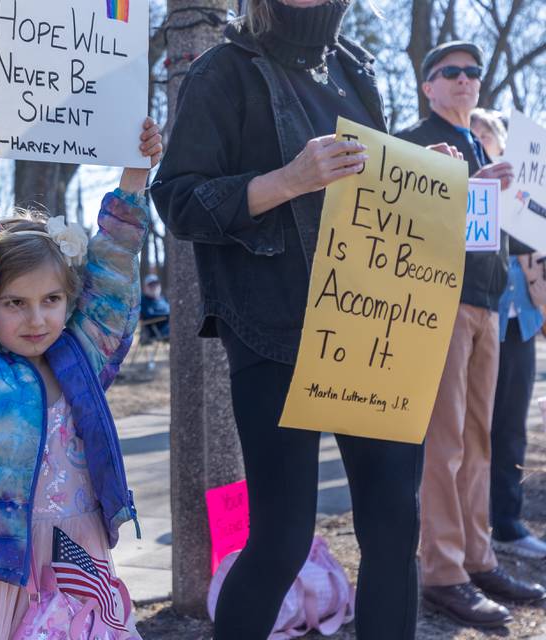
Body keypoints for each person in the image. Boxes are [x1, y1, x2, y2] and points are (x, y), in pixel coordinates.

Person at [152, 1, 435, 638]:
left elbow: (367, 193)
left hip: (371, 328)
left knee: (394, 527)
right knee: (282, 539)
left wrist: (422, 170)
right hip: (275, 335)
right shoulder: (221, 73)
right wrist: (287, 180)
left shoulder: (356, 70)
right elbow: (176, 199)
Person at [0, 115, 162, 639]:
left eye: (51, 300)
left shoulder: (82, 358)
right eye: (16, 303)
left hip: (78, 554)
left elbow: (114, 272)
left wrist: (133, 181)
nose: (36, 319)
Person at [397, 41, 545, 628]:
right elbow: (400, 218)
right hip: (440, 302)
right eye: (449, 72)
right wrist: (465, 185)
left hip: (488, 304)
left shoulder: (478, 143)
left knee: (480, 441)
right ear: (428, 87)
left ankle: (478, 557)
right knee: (446, 442)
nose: (464, 79)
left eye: (472, 72)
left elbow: (494, 231)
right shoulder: (414, 141)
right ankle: (442, 571)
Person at [471, 108, 546, 559]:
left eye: (489, 134)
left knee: (511, 429)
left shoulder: (528, 195)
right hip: (479, 320)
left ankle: (508, 524)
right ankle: (468, 525)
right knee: (473, 429)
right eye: (475, 135)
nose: (483, 140)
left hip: (520, 324)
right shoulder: (471, 188)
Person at [140, 273, 170, 339]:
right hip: (159, 330)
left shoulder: (162, 298)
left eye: (156, 284)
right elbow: (149, 315)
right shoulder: (143, 301)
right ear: (145, 287)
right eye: (151, 285)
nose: (154, 287)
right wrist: (168, 315)